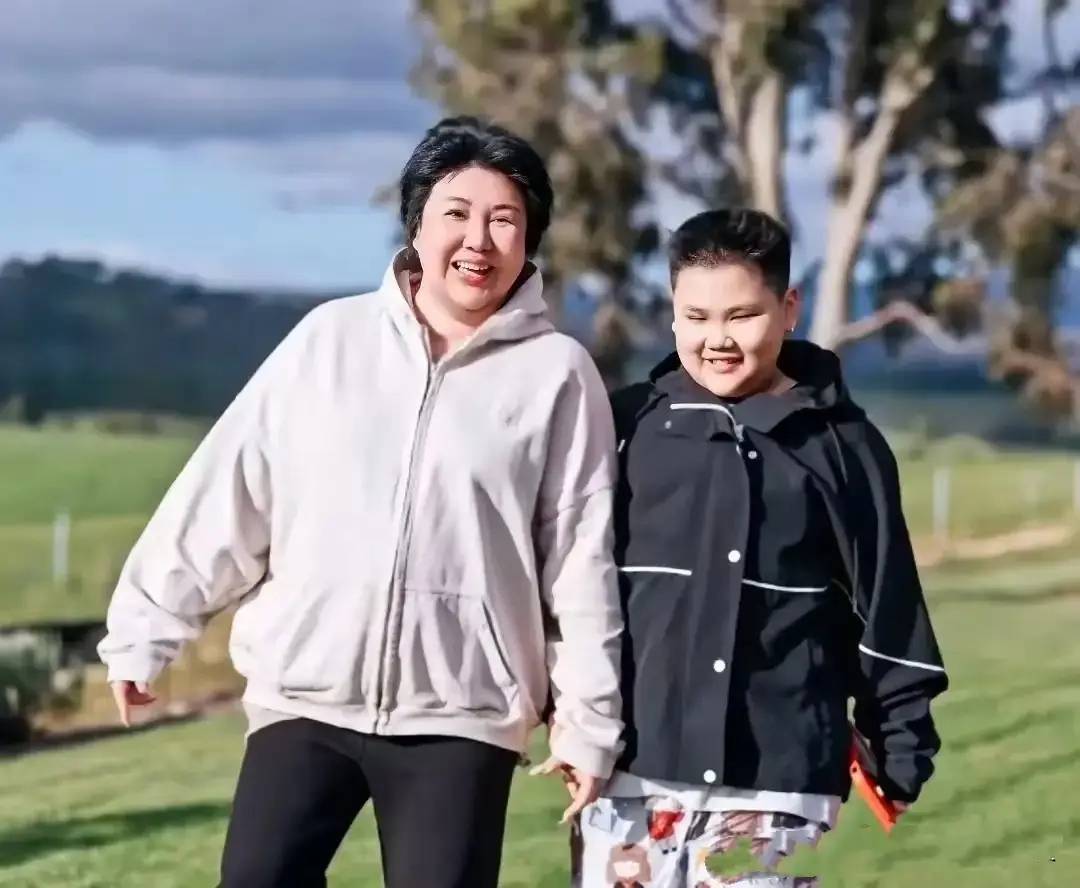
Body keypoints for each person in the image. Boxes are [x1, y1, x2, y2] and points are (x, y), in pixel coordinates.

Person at [97, 116, 624, 888]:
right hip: (305, 699)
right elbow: (230, 490)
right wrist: (147, 627)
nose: (478, 239)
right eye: (457, 213)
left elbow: (582, 561)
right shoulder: (328, 341)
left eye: (504, 220)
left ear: (529, 240)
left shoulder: (558, 375)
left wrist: (587, 723)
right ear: (417, 223)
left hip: (461, 717)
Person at [573, 208, 948, 887]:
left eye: (741, 316)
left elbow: (889, 603)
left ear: (789, 309)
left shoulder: (845, 446)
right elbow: (573, 586)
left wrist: (902, 751)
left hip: (780, 787)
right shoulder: (625, 426)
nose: (717, 339)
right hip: (629, 783)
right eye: (696, 316)